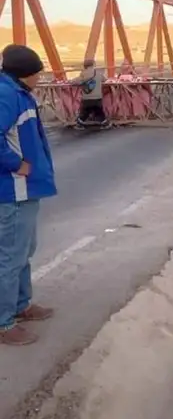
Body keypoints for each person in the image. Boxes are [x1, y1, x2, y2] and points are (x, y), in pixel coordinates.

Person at [0, 44, 57, 346]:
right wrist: (16, 164)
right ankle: (3, 323)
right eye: (37, 73)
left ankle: (22, 305)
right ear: (24, 73)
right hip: (13, 189)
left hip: (26, 187)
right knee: (10, 256)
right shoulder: (6, 95)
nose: (40, 78)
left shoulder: (19, 93)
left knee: (24, 250)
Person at [73, 59, 109, 127]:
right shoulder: (98, 73)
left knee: (85, 112)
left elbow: (75, 81)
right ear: (93, 64)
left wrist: (72, 81)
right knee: (99, 112)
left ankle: (79, 124)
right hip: (97, 97)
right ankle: (104, 124)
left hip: (86, 98)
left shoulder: (83, 74)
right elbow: (105, 80)